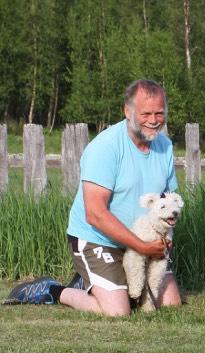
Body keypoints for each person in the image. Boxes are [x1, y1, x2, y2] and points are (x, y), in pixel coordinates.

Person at [7, 79, 182, 316]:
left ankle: (97, 282)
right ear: (127, 111)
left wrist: (162, 237)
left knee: (171, 304)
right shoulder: (105, 147)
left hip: (142, 240)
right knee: (118, 312)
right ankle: (53, 290)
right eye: (146, 113)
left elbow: (168, 199)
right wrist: (141, 246)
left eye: (159, 113)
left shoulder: (165, 146)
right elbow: (95, 213)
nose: (154, 120)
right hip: (97, 239)